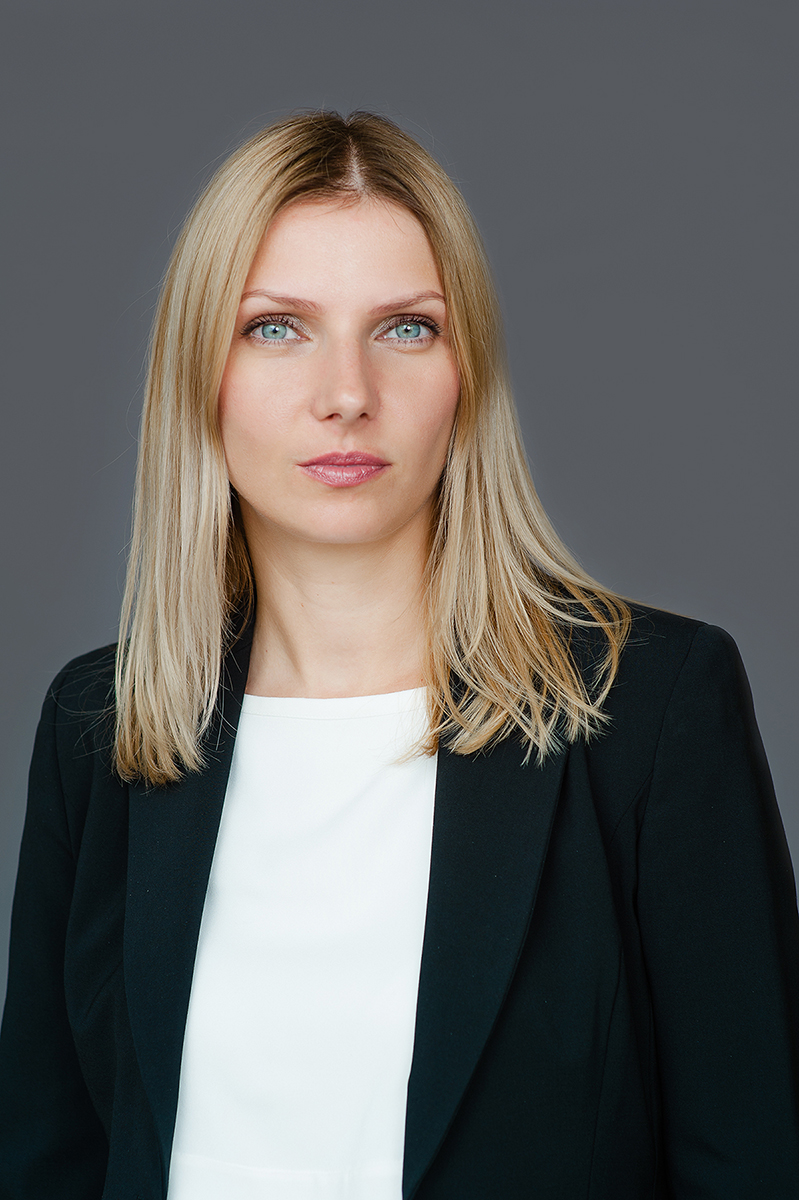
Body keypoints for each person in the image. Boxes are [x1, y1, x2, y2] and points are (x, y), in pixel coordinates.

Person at [0, 110, 797, 1200]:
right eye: (276, 327)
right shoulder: (99, 726)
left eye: (406, 329)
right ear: (198, 371)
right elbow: (45, 1159)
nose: (346, 394)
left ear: (467, 372)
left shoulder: (651, 710)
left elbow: (753, 1160)